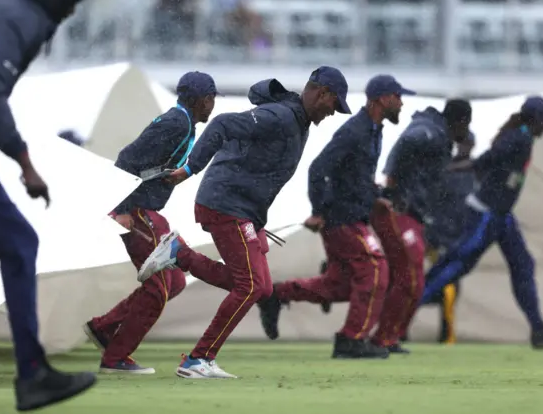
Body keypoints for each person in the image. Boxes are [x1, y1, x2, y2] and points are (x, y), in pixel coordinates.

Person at [142, 66, 351, 378]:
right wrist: (189, 169)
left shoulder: (296, 119)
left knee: (261, 288)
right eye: (335, 104)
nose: (334, 112)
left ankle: (179, 254)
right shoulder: (281, 116)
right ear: (323, 93)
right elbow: (221, 124)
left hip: (240, 208)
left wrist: (257, 220)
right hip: (226, 204)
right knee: (251, 285)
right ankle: (198, 360)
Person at [0, 0, 95, 411]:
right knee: (18, 243)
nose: (73, 10)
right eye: (74, 1)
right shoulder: (19, 16)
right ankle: (32, 374)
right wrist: (25, 163)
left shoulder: (9, 6)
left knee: (19, 242)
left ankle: (33, 375)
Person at [258, 75, 415, 359]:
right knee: (376, 268)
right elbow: (318, 169)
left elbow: (353, 177)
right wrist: (319, 210)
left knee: (339, 285)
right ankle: (350, 340)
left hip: (352, 215)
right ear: (381, 99)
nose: (402, 102)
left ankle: (277, 295)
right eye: (397, 96)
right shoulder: (355, 131)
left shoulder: (373, 130)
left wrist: (376, 195)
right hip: (343, 218)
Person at [82, 72, 218, 374]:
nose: (212, 105)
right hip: (139, 211)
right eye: (210, 99)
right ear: (199, 100)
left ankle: (105, 328)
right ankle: (115, 357)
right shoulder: (176, 123)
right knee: (158, 290)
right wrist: (122, 209)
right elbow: (127, 159)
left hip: (149, 211)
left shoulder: (181, 121)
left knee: (175, 281)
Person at [420, 96, 543, 349]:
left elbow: (490, 163)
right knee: (457, 264)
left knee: (523, 265)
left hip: (501, 215)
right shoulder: (519, 138)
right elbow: (487, 160)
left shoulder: (521, 136)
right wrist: (459, 168)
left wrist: (472, 169)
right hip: (487, 213)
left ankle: (538, 329)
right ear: (538, 119)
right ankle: (403, 309)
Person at [368, 99, 472, 354]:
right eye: (465, 126)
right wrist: (391, 185)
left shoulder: (437, 132)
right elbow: (408, 142)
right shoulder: (430, 131)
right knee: (409, 277)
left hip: (411, 214)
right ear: (460, 121)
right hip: (400, 210)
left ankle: (389, 336)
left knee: (407, 278)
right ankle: (382, 336)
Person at [421, 131, 476, 344]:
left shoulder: (474, 171)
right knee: (446, 282)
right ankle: (446, 335)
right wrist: (430, 231)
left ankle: (444, 331)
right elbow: (432, 201)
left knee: (447, 283)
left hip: (457, 238)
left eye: (467, 142)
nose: (465, 146)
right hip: (438, 237)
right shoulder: (446, 169)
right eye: (462, 142)